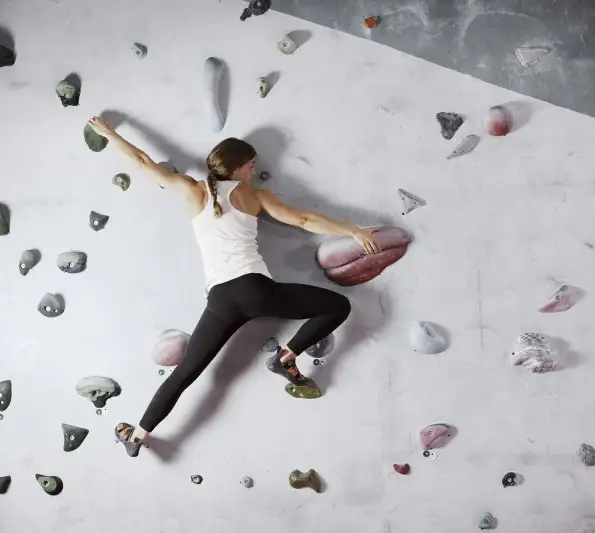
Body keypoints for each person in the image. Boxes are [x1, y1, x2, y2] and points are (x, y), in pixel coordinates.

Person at [86, 117, 380, 458]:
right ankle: (287, 357)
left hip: (221, 300)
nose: (254, 171)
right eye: (252, 165)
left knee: (186, 373)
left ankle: (137, 435)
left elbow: (142, 162)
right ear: (239, 166)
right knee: (338, 306)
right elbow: (303, 220)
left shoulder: (192, 189)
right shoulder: (255, 196)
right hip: (255, 291)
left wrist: (108, 133)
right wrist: (354, 231)